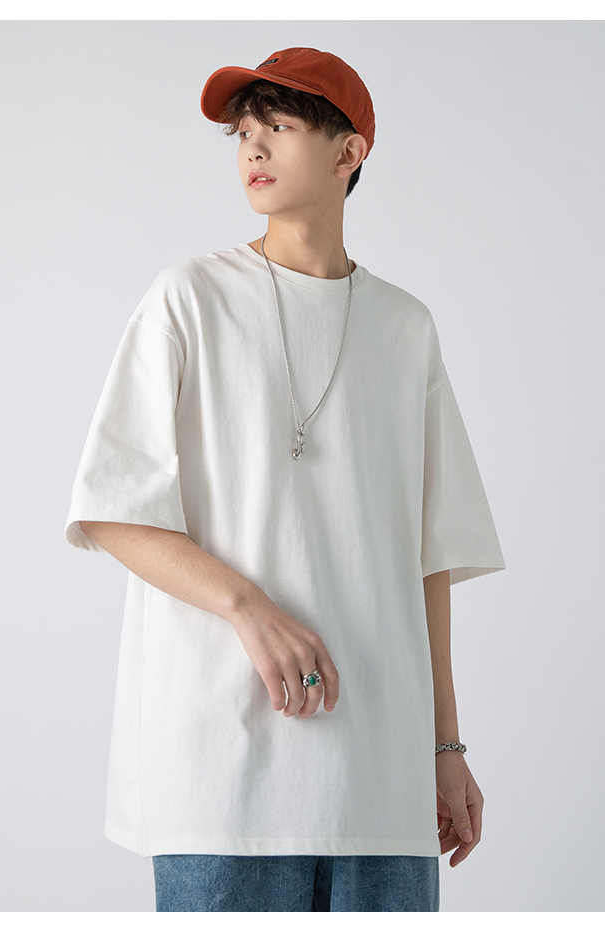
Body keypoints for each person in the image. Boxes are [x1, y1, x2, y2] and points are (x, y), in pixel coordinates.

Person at [64, 46, 505, 912]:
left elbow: (431, 556)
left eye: (279, 126)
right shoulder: (189, 298)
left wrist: (445, 749)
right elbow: (112, 509)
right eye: (243, 133)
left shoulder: (405, 329)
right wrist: (248, 607)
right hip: (219, 776)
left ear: (349, 153)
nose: (253, 149)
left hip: (380, 780)